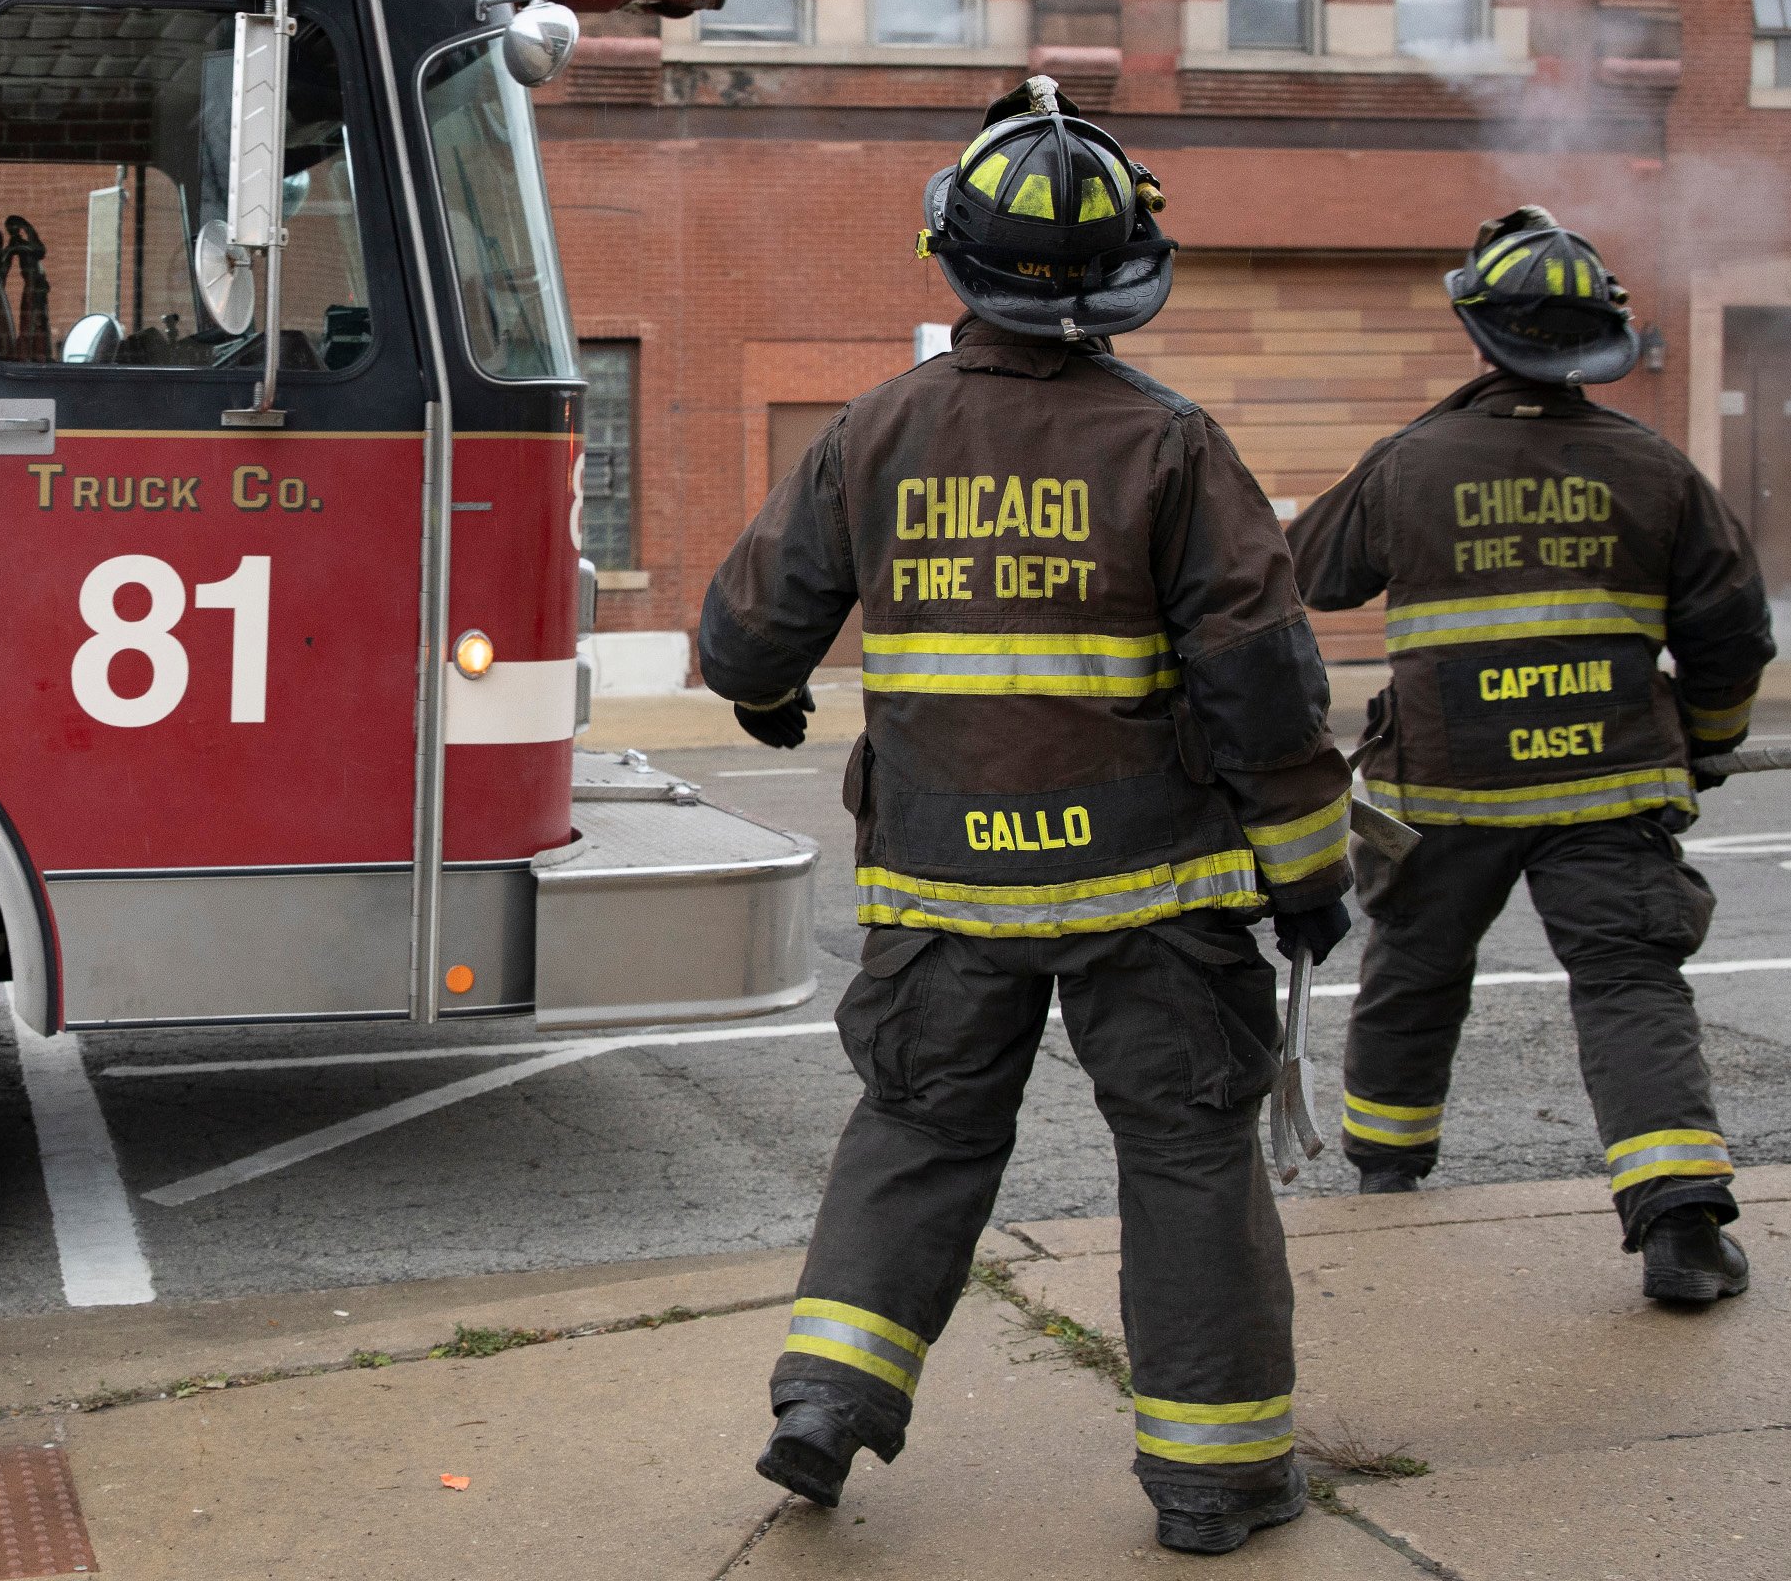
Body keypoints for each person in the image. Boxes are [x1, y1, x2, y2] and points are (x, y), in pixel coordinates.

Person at [700, 77, 1356, 1557]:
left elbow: (745, 636)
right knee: (1189, 1155)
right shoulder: (1175, 448)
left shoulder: (875, 432)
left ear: (954, 258)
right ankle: (1220, 1481)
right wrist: (1308, 870)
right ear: (1128, 279)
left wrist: (763, 695)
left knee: (920, 1131)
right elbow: (1264, 683)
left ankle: (826, 1403)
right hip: (1153, 895)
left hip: (943, 890)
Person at [1288, 208, 1768, 1304]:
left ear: (1480, 331)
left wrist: (1433, 441)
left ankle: (1389, 1175)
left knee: (1414, 973)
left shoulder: (1410, 461)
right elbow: (1734, 631)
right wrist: (1711, 743)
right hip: (1611, 783)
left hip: (1443, 785)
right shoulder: (1654, 467)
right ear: (1599, 344)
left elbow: (1307, 573)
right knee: (1630, 982)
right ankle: (1682, 1225)